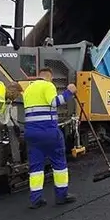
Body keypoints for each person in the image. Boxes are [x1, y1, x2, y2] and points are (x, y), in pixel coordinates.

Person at [23, 67, 77, 209]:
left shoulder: (29, 89)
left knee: (36, 167)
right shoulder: (48, 85)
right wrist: (69, 92)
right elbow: (54, 102)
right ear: (50, 77)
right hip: (48, 131)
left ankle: (36, 200)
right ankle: (61, 196)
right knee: (59, 164)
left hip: (31, 133)